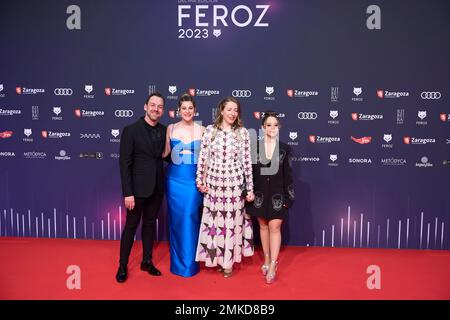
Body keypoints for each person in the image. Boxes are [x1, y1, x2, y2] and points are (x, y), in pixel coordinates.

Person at [195, 96, 255, 278]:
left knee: (231, 223)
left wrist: (250, 188)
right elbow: (203, 158)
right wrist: (200, 181)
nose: (232, 113)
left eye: (235, 110)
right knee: (215, 222)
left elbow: (247, 162)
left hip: (233, 186)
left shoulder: (243, 133)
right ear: (221, 111)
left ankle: (228, 263)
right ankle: (216, 260)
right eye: (229, 109)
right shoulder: (210, 131)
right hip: (214, 185)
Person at [116, 92, 166, 283]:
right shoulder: (131, 130)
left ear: (162, 110)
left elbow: (165, 155)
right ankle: (122, 265)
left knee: (149, 224)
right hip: (136, 191)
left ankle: (146, 261)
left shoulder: (164, 130)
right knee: (130, 226)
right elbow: (124, 163)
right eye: (153, 105)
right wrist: (128, 192)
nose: (156, 109)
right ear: (145, 107)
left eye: (159, 106)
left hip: (156, 188)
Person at [246, 111, 295, 284]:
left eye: (275, 125)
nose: (272, 128)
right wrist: (247, 194)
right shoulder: (254, 147)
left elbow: (288, 175)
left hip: (277, 195)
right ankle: (266, 259)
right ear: (262, 127)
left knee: (275, 227)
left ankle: (273, 264)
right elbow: (250, 173)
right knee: (264, 227)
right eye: (269, 125)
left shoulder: (284, 148)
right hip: (259, 194)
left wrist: (288, 198)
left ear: (279, 127)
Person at [162, 93, 204, 277]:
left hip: (194, 180)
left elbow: (207, 158)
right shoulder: (170, 128)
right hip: (174, 180)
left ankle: (190, 265)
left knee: (191, 217)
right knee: (177, 220)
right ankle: (178, 264)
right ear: (179, 110)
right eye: (184, 108)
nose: (187, 111)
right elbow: (165, 153)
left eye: (190, 108)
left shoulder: (203, 129)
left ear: (195, 110)